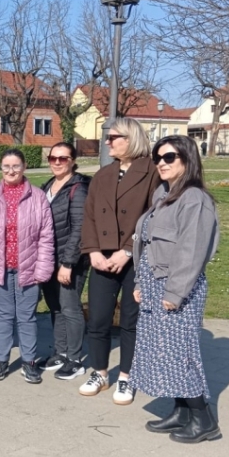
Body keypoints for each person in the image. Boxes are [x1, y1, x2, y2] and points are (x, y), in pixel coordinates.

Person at [130, 135, 221, 443]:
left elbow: (191, 251)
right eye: (158, 157)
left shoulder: (194, 199)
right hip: (155, 284)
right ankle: (181, 412)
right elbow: (147, 242)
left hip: (176, 289)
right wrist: (141, 283)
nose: (161, 163)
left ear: (187, 159)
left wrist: (174, 293)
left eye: (169, 157)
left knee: (180, 355)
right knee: (162, 353)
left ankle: (204, 420)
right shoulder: (163, 194)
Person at [80, 117, 161, 404]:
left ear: (130, 139)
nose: (107, 142)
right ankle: (100, 372)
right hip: (101, 258)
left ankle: (126, 377)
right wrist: (92, 252)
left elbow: (153, 217)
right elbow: (89, 217)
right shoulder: (103, 174)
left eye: (113, 137)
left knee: (130, 320)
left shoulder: (152, 173)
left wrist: (126, 250)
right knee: (99, 318)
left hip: (135, 259)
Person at [0, 149, 54, 384]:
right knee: (4, 316)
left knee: (27, 317)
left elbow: (46, 237)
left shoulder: (37, 197)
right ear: (0, 168)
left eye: (16, 166)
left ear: (24, 166)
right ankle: (3, 360)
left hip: (28, 268)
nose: (11, 170)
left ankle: (28, 361)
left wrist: (42, 270)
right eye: (6, 166)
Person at [38, 142, 91, 380]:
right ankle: (60, 352)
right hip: (48, 258)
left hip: (69, 260)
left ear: (72, 160)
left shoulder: (78, 188)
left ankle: (75, 358)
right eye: (53, 158)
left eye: (63, 158)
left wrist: (68, 263)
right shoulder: (48, 185)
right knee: (55, 307)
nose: (57, 162)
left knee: (70, 308)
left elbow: (80, 228)